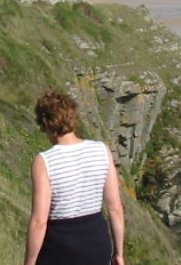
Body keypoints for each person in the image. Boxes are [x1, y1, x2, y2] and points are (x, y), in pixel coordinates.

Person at [25, 90, 125, 265]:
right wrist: (119, 253)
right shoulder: (101, 150)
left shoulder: (44, 161)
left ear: (47, 124)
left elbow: (39, 221)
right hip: (97, 242)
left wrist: (30, 262)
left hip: (61, 246)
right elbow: (115, 209)